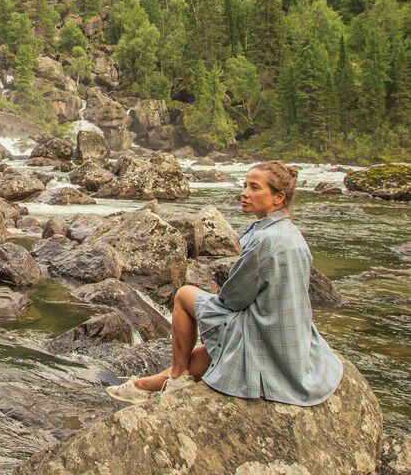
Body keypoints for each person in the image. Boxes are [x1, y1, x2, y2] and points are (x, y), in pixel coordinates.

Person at [107, 160, 343, 406]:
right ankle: (143, 386)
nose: (244, 193)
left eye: (254, 188)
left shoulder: (265, 240)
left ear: (278, 197)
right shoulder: (292, 234)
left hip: (265, 336)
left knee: (184, 294)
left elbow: (233, 299)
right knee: (217, 346)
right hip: (287, 334)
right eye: (244, 186)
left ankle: (175, 378)